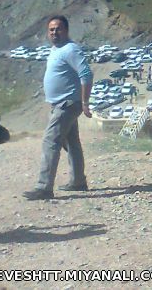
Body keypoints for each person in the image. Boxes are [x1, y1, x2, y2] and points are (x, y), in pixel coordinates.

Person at [23, 15, 93, 200]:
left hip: (68, 104)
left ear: (66, 30)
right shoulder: (56, 49)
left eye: (58, 29)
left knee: (50, 141)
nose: (54, 32)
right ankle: (78, 181)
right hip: (60, 104)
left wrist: (85, 102)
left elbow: (86, 74)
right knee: (71, 143)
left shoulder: (71, 49)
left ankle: (44, 187)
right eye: (51, 29)